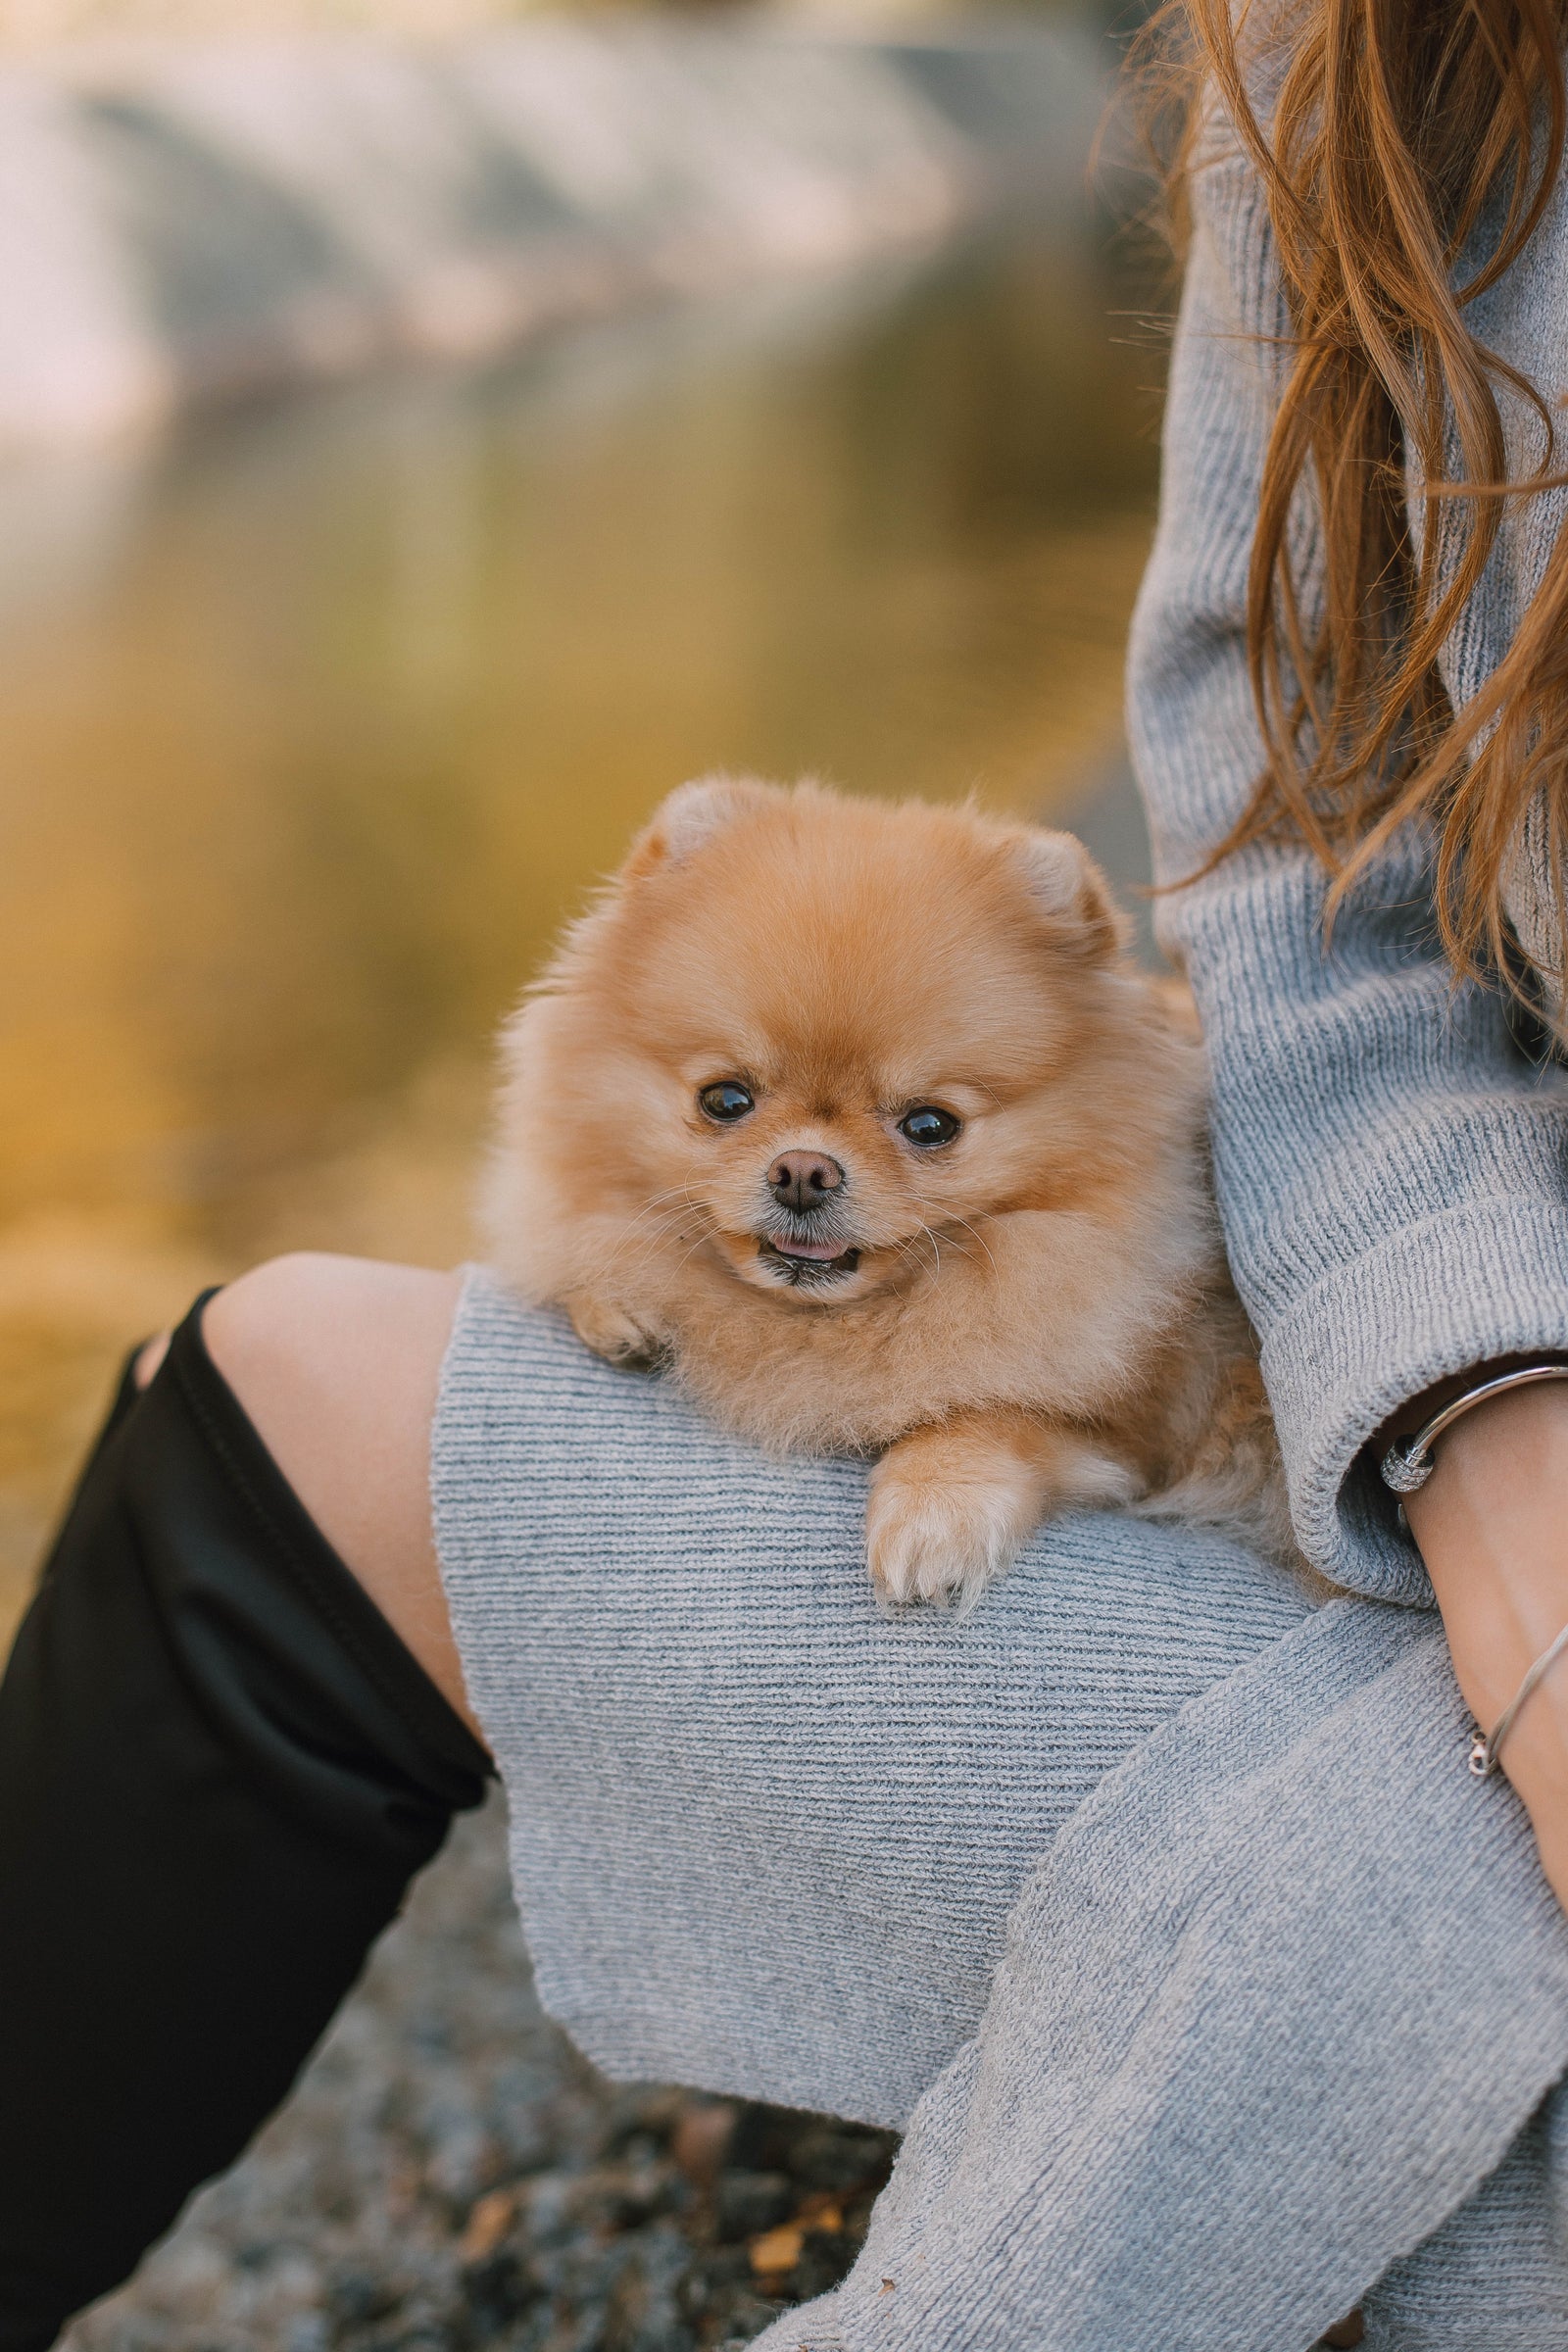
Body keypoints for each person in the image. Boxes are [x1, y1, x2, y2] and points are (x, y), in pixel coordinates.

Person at [7, 1, 1568, 2343]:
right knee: (297, 1390)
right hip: (1446, 1587)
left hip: (1396, 1783)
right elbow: (1310, 891)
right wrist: (1488, 1437)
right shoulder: (1397, 67)